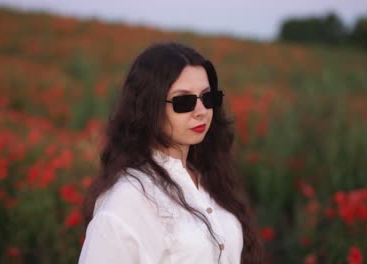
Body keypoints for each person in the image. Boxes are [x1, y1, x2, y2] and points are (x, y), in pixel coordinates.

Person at [79, 42, 264, 264]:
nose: (201, 112)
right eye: (183, 101)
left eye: (207, 98)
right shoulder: (125, 202)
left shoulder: (210, 179)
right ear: (149, 106)